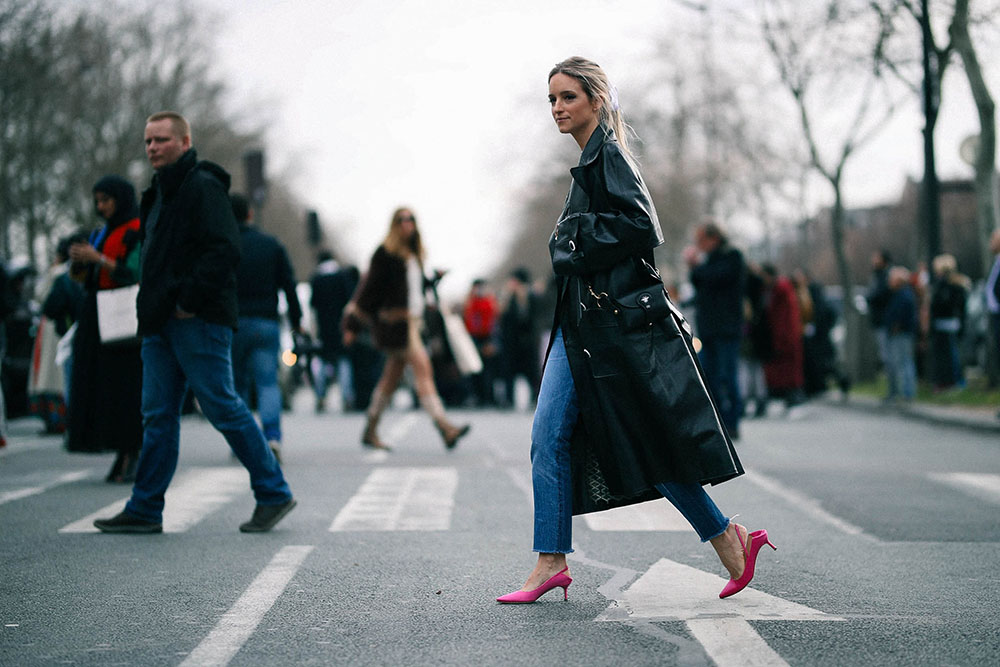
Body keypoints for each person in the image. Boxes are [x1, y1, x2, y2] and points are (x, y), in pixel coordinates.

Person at [497, 57, 773, 605]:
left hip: (606, 331)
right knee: (557, 437)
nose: (557, 108)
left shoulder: (609, 157)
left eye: (567, 97)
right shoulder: (590, 161)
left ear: (596, 101)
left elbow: (642, 223)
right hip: (585, 329)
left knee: (627, 440)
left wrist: (570, 239)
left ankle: (726, 538)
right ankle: (552, 559)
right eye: (551, 99)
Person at [94, 111, 295, 533]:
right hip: (158, 322)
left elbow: (224, 250)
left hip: (196, 319)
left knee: (223, 406)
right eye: (148, 141)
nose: (153, 148)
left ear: (185, 142)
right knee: (158, 415)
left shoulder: (203, 187)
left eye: (162, 140)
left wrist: (189, 299)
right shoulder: (158, 192)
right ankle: (146, 508)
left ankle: (273, 492)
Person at [342, 207, 470, 450]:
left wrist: (434, 279)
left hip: (413, 323)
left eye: (411, 219)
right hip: (396, 326)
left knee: (389, 380)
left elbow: (415, 290)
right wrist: (352, 325)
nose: (407, 224)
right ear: (394, 224)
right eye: (402, 220)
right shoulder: (385, 254)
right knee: (423, 369)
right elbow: (368, 290)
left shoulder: (414, 255)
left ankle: (370, 429)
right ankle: (444, 426)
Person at [65, 176, 144, 482]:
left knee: (124, 388)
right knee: (100, 387)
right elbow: (86, 279)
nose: (101, 207)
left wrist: (99, 259)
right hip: (96, 317)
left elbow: (135, 272)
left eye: (106, 200)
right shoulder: (101, 233)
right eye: (97, 201)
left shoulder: (135, 230)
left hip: (122, 318)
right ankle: (118, 449)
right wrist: (81, 264)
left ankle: (131, 451)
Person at [229, 193, 303, 464]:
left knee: (236, 385)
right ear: (250, 213)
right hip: (266, 323)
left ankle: (243, 441)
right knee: (267, 383)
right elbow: (289, 285)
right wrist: (296, 322)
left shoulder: (224, 246)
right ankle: (272, 437)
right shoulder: (271, 245)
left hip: (232, 323)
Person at [685, 220, 746, 438]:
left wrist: (696, 266)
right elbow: (699, 282)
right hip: (709, 328)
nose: (699, 245)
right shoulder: (709, 260)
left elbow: (713, 278)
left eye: (702, 240)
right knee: (709, 376)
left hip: (727, 328)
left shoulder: (732, 256)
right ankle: (717, 421)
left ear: (714, 238)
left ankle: (732, 421)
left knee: (727, 376)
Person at [29, 234, 85, 434]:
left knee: (56, 376)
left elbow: (41, 295)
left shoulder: (58, 274)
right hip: (74, 325)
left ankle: (61, 420)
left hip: (55, 330)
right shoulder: (79, 270)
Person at [310, 250, 361, 412]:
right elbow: (351, 302)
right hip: (342, 326)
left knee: (323, 363)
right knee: (344, 362)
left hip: (324, 328)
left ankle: (320, 396)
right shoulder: (342, 277)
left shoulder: (316, 280)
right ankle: (347, 397)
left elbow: (313, 306)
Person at [760, 264, 805, 411]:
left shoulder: (781, 290)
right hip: (783, 336)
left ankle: (793, 395)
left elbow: (785, 317)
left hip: (785, 337)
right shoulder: (778, 290)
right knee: (786, 369)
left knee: (788, 369)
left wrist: (782, 338)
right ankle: (790, 395)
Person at [497, 267, 542, 408]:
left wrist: (523, 299)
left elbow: (529, 318)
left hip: (527, 341)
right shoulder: (507, 297)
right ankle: (508, 399)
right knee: (509, 371)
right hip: (510, 342)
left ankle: (535, 396)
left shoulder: (530, 296)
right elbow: (501, 317)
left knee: (531, 371)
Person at [928, 254, 968, 391]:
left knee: (951, 355)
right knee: (946, 355)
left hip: (948, 323)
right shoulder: (950, 284)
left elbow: (951, 304)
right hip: (944, 323)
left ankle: (955, 381)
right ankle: (946, 381)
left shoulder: (951, 285)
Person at [883, 266, 918, 403]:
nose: (889, 281)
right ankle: (903, 392)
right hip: (899, 333)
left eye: (892, 278)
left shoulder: (904, 295)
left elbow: (903, 315)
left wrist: (897, 326)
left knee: (904, 363)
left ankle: (908, 393)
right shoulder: (899, 294)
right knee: (901, 363)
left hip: (902, 334)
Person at [462, 278, 499, 407]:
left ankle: (488, 397)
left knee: (488, 371)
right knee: (474, 370)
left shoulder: (489, 302)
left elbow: (494, 323)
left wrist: (492, 341)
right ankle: (476, 396)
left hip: (486, 337)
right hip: (473, 338)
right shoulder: (470, 304)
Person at [866, 249, 894, 394]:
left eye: (876, 257)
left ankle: (895, 390)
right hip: (879, 321)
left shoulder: (884, 276)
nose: (874, 260)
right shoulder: (877, 275)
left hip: (884, 321)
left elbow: (879, 295)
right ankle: (892, 390)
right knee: (886, 356)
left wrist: (870, 297)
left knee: (889, 357)